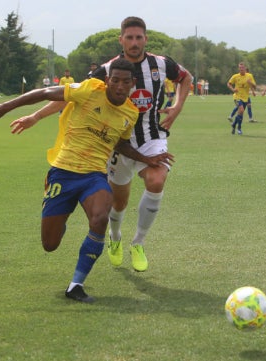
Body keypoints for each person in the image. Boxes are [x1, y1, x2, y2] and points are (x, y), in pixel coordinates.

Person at [0, 58, 173, 302]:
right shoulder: (90, 90)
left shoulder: (130, 112)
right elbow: (44, 92)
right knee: (50, 244)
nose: (120, 86)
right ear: (107, 81)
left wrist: (147, 159)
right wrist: (5, 107)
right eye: (115, 80)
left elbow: (120, 143)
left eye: (126, 82)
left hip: (94, 176)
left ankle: (76, 285)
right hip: (63, 171)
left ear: (133, 84)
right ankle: (59, 214)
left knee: (101, 216)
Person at [29, 16, 192, 272]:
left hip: (151, 138)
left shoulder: (161, 64)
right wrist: (36, 116)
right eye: (130, 37)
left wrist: (177, 107)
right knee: (118, 203)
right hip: (116, 144)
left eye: (139, 37)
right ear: (121, 39)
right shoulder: (107, 70)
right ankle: (115, 238)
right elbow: (72, 95)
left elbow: (186, 77)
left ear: (145, 39)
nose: (135, 42)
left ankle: (138, 242)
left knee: (157, 180)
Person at [227, 62, 257, 134]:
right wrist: (233, 89)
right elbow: (228, 84)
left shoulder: (249, 76)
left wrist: (251, 83)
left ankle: (235, 125)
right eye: (240, 68)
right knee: (241, 110)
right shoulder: (235, 76)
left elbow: (255, 86)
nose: (241, 69)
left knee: (240, 113)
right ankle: (239, 129)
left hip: (245, 98)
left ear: (245, 68)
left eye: (242, 68)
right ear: (239, 68)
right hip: (237, 97)